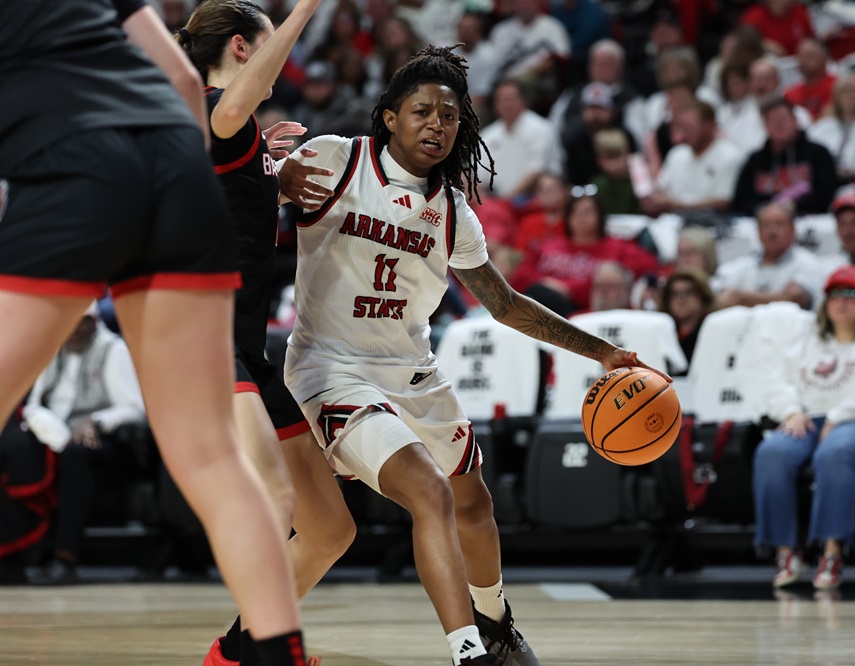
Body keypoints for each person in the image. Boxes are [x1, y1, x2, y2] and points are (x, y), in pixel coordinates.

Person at [283, 45, 667, 666]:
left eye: (450, 115)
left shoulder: (454, 214)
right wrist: (270, 180)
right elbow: (231, 195)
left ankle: (494, 624)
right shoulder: (333, 160)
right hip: (332, 369)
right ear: (389, 117)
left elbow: (506, 304)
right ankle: (469, 655)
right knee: (428, 492)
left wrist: (603, 352)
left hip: (412, 373)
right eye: (422, 111)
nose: (437, 124)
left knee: (473, 501)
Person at [0, 0, 308, 663]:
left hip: (73, 168)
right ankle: (277, 654)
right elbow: (182, 84)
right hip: (179, 170)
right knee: (214, 460)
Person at [172, 3, 358, 665]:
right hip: (200, 337)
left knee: (331, 529)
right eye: (271, 42)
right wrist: (304, 7)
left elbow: (225, 197)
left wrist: (271, 181)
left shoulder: (234, 129)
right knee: (273, 497)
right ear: (245, 47)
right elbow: (228, 112)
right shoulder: (211, 103)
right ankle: (279, 649)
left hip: (245, 344)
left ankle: (237, 650)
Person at [755, 266, 855, 590]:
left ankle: (832, 551)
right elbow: (776, 381)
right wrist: (790, 411)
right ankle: (787, 552)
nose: (843, 302)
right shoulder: (806, 343)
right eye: (835, 295)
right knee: (771, 451)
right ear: (825, 303)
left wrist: (840, 414)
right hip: (809, 418)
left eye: (851, 294)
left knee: (836, 451)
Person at [19, 308, 147, 585]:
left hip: (109, 441)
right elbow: (35, 403)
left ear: (94, 322)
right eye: (69, 324)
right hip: (60, 433)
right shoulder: (54, 349)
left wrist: (95, 421)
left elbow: (135, 409)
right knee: (19, 448)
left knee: (76, 454)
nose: (74, 332)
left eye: (81, 324)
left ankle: (65, 557)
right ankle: (19, 553)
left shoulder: (114, 349)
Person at [509, 192, 660, 316]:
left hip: (591, 312)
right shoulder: (550, 245)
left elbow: (651, 267)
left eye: (587, 212)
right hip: (545, 310)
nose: (581, 218)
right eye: (575, 212)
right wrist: (547, 282)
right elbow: (519, 278)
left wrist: (568, 289)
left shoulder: (617, 247)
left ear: (599, 216)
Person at [731, 96, 837, 216]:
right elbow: (741, 200)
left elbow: (826, 193)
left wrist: (794, 206)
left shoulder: (818, 154)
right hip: (764, 221)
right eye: (773, 121)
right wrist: (766, 210)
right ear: (765, 126)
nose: (779, 125)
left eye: (783, 119)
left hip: (809, 218)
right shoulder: (755, 160)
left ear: (795, 121)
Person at [713, 203, 822, 309]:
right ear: (758, 232)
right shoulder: (742, 266)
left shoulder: (808, 263)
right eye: (766, 225)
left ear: (793, 230)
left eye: (779, 224)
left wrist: (741, 298)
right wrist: (777, 297)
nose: (772, 231)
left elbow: (795, 299)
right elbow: (724, 298)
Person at [660, 269, 716, 369]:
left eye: (688, 292)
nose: (681, 299)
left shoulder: (713, 332)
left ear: (703, 296)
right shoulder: (661, 334)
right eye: (674, 294)